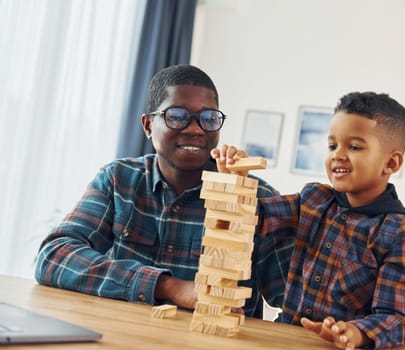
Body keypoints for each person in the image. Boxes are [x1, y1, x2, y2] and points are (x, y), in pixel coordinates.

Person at [34, 64, 291, 318]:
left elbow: (295, 299)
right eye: (177, 116)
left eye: (209, 118)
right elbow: (54, 256)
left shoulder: (257, 197)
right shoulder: (119, 180)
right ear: (148, 125)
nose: (195, 129)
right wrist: (168, 287)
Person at [212, 91, 405, 349]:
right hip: (287, 339)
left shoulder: (404, 234)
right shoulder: (313, 199)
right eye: (332, 146)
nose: (338, 155)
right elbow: (252, 219)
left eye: (354, 147)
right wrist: (233, 179)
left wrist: (354, 332)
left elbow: (395, 320)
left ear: (391, 163)